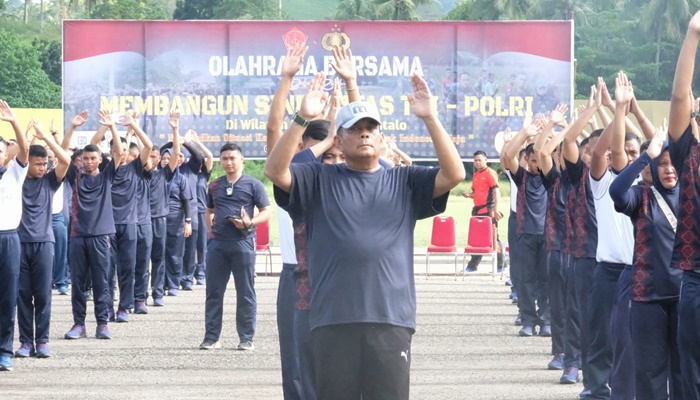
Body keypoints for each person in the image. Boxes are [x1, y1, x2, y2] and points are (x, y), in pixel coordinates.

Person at [265, 72, 465, 399]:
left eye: (370, 128)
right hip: (333, 320)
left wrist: (430, 117)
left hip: (390, 318)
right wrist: (302, 118)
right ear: (338, 141)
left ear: (381, 137)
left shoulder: (404, 181)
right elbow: (276, 171)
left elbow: (455, 174)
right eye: (355, 130)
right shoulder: (318, 180)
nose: (364, 134)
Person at [609, 129, 683, 400]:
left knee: (684, 373)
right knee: (649, 375)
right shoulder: (640, 196)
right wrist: (646, 155)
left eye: (672, 162)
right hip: (647, 299)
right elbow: (616, 190)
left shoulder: (690, 195)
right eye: (661, 163)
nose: (668, 169)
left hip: (684, 299)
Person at [61, 110, 125, 341]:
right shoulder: (75, 176)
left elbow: (119, 152)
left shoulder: (107, 176)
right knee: (78, 284)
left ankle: (102, 324)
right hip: (78, 236)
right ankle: (79, 324)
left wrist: (111, 126)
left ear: (100, 159)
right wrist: (72, 127)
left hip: (101, 236)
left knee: (102, 282)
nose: (88, 162)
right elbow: (62, 153)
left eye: (92, 158)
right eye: (85, 158)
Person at [200, 143, 271, 351]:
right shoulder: (214, 185)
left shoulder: (253, 184)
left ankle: (246, 338)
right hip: (218, 246)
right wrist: (210, 228)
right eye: (224, 159)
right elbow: (209, 209)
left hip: (243, 244)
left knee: (245, 293)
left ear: (241, 160)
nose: (228, 162)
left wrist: (249, 222)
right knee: (214, 292)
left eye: (232, 158)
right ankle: (212, 337)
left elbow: (266, 211)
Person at [16, 120, 71, 359]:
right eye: (37, 164)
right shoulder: (15, 180)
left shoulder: (50, 181)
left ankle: (43, 341)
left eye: (44, 164)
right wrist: (28, 140)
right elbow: (17, 156)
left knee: (43, 295)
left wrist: (46, 138)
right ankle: (26, 342)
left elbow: (66, 161)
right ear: (28, 164)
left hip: (44, 243)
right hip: (19, 243)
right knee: (22, 295)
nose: (42, 168)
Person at [666, 10, 700, 397]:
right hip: (696, 280)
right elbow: (679, 95)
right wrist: (692, 34)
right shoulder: (688, 153)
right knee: (690, 376)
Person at [90, 111, 152, 322]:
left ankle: (124, 307)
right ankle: (107, 306)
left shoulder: (135, 168)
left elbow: (149, 147)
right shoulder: (107, 167)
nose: (122, 153)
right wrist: (109, 126)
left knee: (128, 268)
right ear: (111, 151)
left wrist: (134, 126)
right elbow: (93, 143)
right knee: (107, 269)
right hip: (107, 226)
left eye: (125, 150)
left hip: (130, 225)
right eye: (118, 149)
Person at [503, 119, 550, 338]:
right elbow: (509, 156)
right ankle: (528, 320)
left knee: (547, 280)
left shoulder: (553, 179)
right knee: (525, 279)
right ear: (527, 161)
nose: (536, 165)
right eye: (532, 161)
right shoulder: (521, 177)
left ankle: (546, 320)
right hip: (525, 235)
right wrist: (524, 133)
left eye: (539, 160)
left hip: (548, 236)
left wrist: (549, 130)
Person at [0, 100, 30, 371]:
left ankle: (4, 351)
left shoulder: (14, 174)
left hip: (8, 239)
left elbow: (26, 148)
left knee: (8, 296)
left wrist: (13, 121)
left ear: (5, 154)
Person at [462, 150, 502, 272]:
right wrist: (469, 195)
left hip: (488, 210)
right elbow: (477, 193)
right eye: (475, 160)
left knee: (493, 238)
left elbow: (496, 192)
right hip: (477, 211)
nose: (477, 162)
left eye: (480, 160)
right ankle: (472, 266)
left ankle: (501, 265)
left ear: (486, 160)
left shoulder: (490, 173)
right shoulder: (476, 175)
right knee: (476, 239)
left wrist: (496, 210)